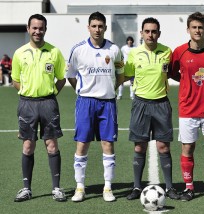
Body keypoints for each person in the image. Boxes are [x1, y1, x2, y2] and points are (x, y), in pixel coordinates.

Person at [66, 11, 124, 202]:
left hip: (107, 103)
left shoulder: (114, 49)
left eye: (101, 26)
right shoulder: (78, 49)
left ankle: (108, 188)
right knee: (82, 144)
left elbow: (120, 75)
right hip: (85, 102)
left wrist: (110, 89)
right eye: (94, 26)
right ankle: (80, 188)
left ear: (105, 28)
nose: (97, 29)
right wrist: (82, 91)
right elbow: (71, 75)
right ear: (88, 27)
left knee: (107, 144)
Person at [169, 12, 204, 201]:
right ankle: (189, 187)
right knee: (188, 149)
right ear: (188, 30)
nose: (197, 30)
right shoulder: (179, 52)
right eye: (194, 27)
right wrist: (185, 79)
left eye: (200, 27)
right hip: (188, 110)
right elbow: (172, 72)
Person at [11, 14, 67, 202]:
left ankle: (57, 188)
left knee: (51, 145)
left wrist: (49, 95)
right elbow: (16, 81)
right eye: (34, 28)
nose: (37, 31)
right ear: (28, 29)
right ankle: (26, 188)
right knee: (28, 146)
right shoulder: (19, 53)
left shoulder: (54, 52)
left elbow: (61, 79)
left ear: (45, 29)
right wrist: (29, 93)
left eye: (41, 28)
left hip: (48, 103)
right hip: (27, 104)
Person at [124, 17, 180, 201]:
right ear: (141, 33)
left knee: (163, 147)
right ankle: (136, 187)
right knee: (139, 146)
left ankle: (170, 187)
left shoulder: (167, 52)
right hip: (140, 104)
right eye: (147, 31)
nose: (150, 34)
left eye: (154, 31)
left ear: (159, 33)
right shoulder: (134, 54)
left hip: (161, 103)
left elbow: (176, 73)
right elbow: (128, 75)